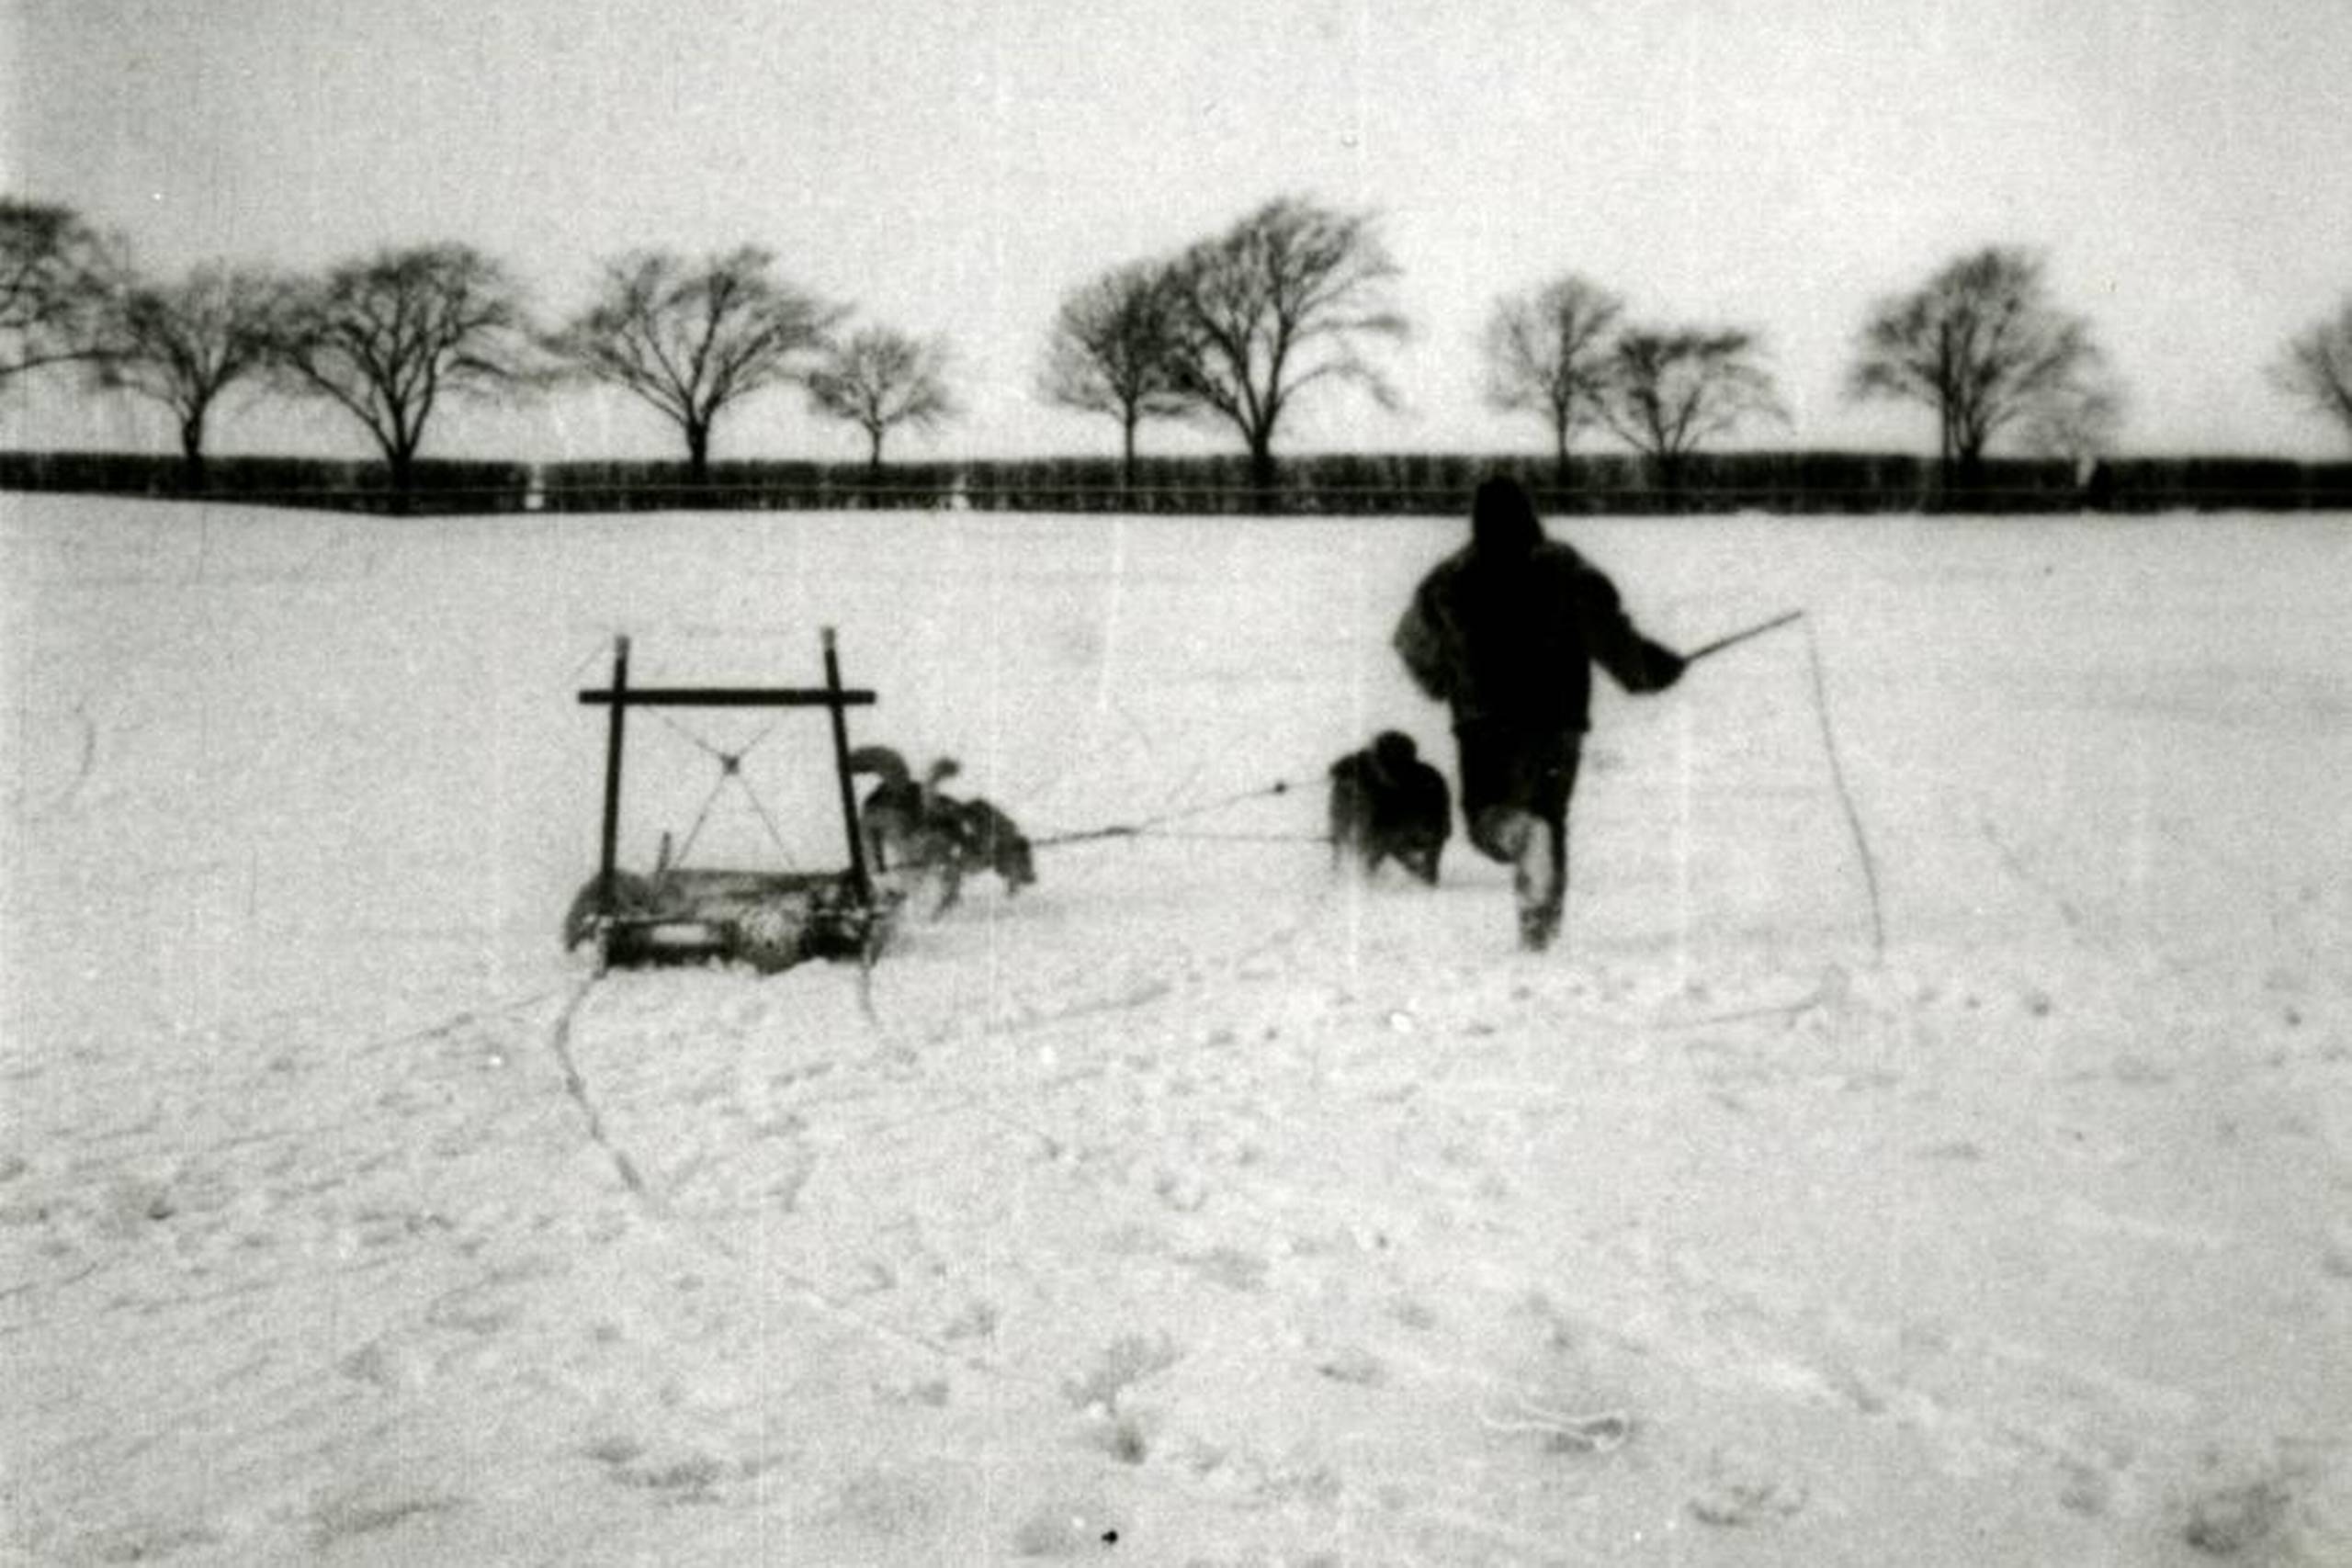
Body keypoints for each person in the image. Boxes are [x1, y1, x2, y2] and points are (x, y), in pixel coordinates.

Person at [1392, 475, 1685, 951]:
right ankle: (1539, 935)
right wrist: (1650, 670)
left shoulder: (1447, 579)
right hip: (1556, 720)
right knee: (1549, 817)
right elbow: (1610, 634)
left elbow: (1411, 644)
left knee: (1487, 818)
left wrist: (1441, 681)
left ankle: (1517, 835)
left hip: (1483, 723)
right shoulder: (1564, 567)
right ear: (1529, 514)